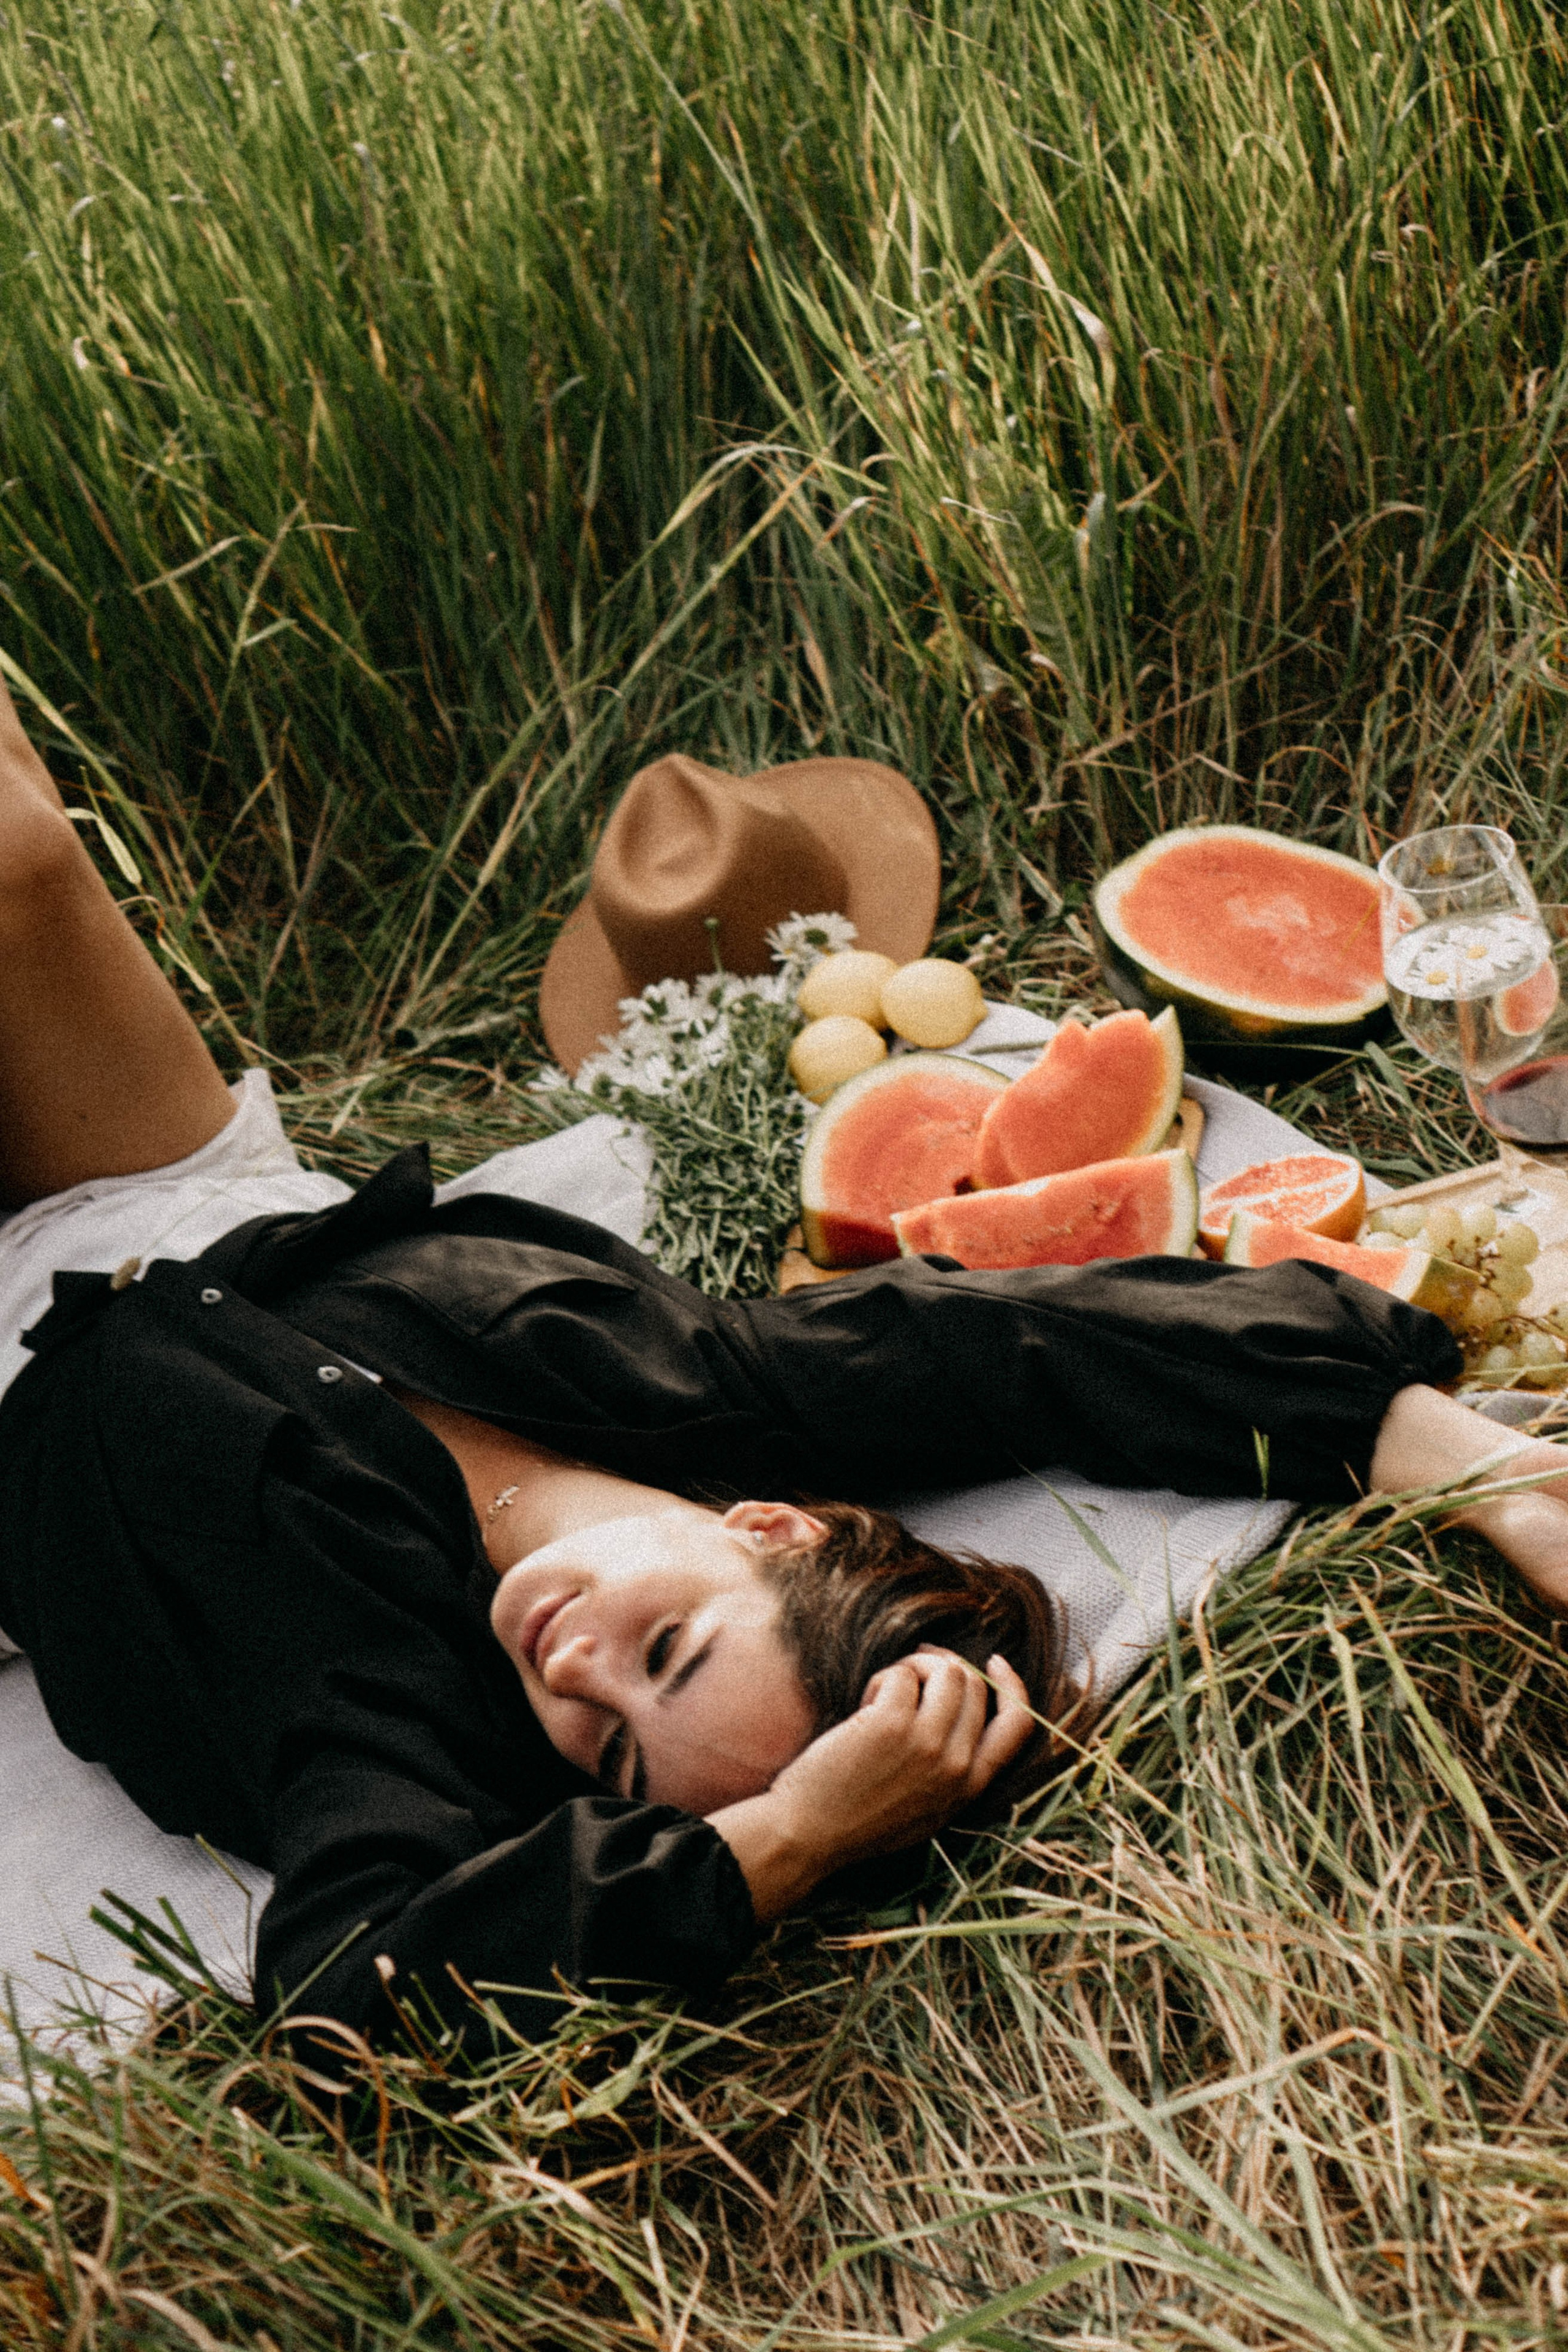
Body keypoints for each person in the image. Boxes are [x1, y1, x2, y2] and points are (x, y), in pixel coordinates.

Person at [0, 676, 1564, 2060]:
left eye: (608, 1751)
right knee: (16, 849)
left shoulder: (386, 1703)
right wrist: (1477, 1469)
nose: (574, 1673)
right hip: (191, 1206)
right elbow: (1032, 1345)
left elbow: (360, 1986)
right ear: (769, 1526)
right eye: (667, 1647)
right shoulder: (710, 1388)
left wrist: (791, 1838)